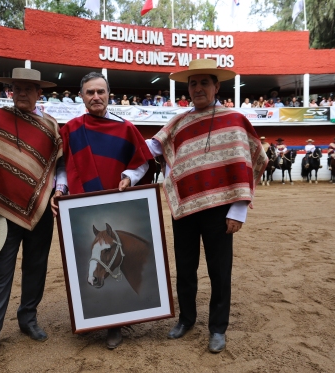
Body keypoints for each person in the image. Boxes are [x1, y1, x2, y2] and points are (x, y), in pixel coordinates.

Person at [144, 59, 267, 354]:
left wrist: (238, 210)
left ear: (216, 86)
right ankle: (186, 319)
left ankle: (217, 328)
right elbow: (153, 147)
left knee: (219, 271)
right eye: (193, 83)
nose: (198, 88)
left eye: (204, 83)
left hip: (220, 210)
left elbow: (246, 163)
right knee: (185, 268)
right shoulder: (179, 123)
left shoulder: (234, 120)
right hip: (185, 208)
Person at [0, 67, 62, 369]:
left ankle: (27, 318)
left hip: (41, 212)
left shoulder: (50, 128)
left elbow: (57, 166)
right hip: (3, 211)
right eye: (17, 88)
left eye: (28, 89)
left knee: (36, 268)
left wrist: (58, 191)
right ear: (11, 91)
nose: (21, 93)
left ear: (38, 94)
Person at [50, 71, 152, 350]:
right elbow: (62, 165)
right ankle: (90, 317)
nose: (96, 97)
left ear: (109, 95)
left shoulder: (127, 129)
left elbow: (142, 161)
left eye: (100, 92)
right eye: (90, 92)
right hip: (80, 203)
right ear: (81, 96)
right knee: (87, 259)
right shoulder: (70, 129)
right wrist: (60, 190)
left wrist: (130, 176)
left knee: (112, 258)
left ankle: (114, 324)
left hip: (114, 199)